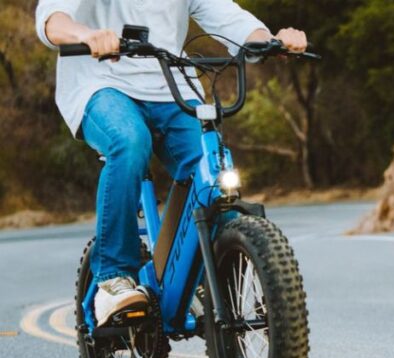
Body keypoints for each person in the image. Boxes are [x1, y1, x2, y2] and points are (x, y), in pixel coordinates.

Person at [35, 1, 308, 326]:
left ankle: (203, 271)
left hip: (171, 88)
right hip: (102, 85)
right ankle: (114, 278)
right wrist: (88, 35)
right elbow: (52, 20)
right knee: (129, 141)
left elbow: (228, 18)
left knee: (212, 166)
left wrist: (269, 39)